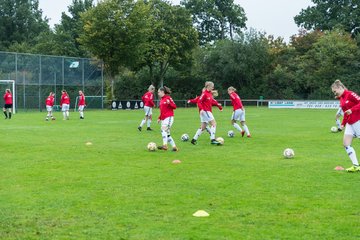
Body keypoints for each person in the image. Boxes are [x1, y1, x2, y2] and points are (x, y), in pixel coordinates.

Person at [331, 79, 360, 172]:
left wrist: (352, 109)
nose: (334, 94)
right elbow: (345, 112)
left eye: (335, 91)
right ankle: (356, 166)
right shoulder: (341, 98)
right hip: (350, 123)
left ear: (339, 88)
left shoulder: (350, 94)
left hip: (358, 120)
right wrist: (343, 124)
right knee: (346, 143)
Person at [190, 81, 222, 145]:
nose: (213, 88)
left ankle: (194, 140)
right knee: (214, 124)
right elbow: (199, 101)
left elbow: (213, 102)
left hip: (206, 112)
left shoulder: (209, 94)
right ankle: (212, 140)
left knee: (203, 127)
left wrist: (219, 107)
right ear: (208, 86)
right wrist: (201, 109)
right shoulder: (204, 94)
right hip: (205, 111)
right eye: (212, 86)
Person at [157, 86, 178, 151]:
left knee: (163, 129)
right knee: (167, 134)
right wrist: (159, 118)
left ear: (162, 92)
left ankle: (165, 145)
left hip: (169, 117)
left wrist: (169, 103)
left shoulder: (168, 98)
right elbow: (162, 110)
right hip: (163, 119)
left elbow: (175, 106)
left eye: (158, 92)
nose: (158, 93)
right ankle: (174, 147)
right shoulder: (162, 100)